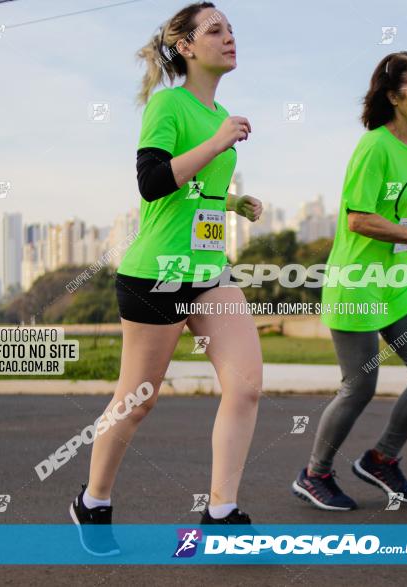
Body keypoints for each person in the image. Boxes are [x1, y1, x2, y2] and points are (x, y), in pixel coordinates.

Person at [69, 2, 263, 556]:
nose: (229, 38)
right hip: (154, 274)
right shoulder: (168, 105)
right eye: (215, 30)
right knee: (137, 399)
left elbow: (192, 193)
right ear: (185, 46)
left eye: (231, 29)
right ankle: (93, 502)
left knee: (246, 386)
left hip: (208, 272)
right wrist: (220, 142)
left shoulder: (216, 112)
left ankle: (221, 513)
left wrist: (232, 202)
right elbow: (153, 183)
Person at [292, 51, 407, 511]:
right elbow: (360, 219)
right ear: (392, 95)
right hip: (358, 282)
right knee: (359, 385)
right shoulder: (374, 146)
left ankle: (382, 458)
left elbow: (397, 211)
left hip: (395, 282)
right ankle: (314, 474)